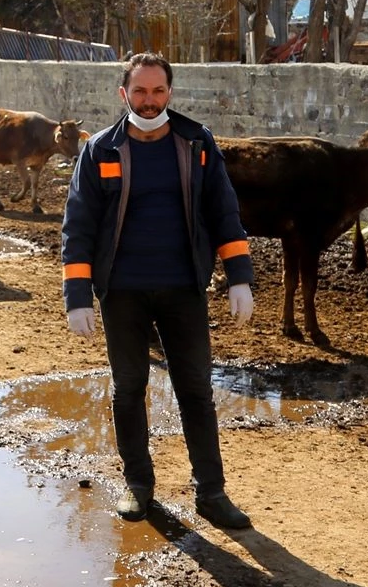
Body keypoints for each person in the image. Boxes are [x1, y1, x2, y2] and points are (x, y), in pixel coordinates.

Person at [60, 52, 255, 529]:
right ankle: (138, 486)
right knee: (129, 389)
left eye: (158, 91)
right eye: (140, 92)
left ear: (170, 92)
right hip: (121, 293)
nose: (150, 101)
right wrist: (78, 295)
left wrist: (240, 277)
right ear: (123, 94)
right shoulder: (100, 150)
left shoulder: (197, 144)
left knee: (196, 390)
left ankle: (211, 492)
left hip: (183, 289)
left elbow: (223, 212)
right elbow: (78, 225)